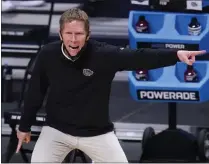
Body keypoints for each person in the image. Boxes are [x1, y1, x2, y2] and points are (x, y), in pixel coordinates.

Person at [16, 8, 206, 163]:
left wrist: (175, 55)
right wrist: (24, 126)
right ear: (60, 34)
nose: (73, 40)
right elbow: (35, 92)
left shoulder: (104, 55)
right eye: (69, 34)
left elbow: (138, 56)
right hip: (56, 131)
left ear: (88, 35)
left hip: (97, 133)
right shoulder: (48, 54)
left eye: (79, 34)